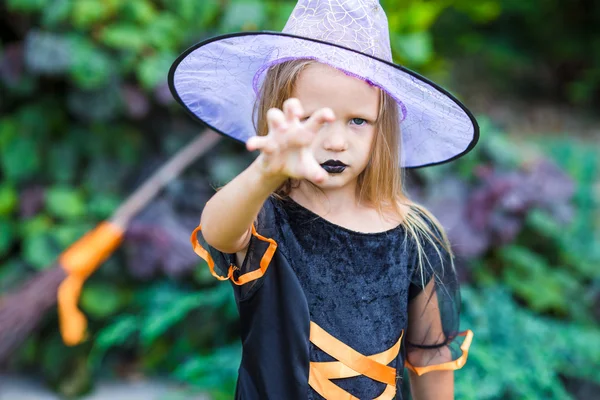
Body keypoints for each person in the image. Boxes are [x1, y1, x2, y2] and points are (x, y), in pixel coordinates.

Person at [169, 1, 477, 399]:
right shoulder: (265, 218)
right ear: (279, 118)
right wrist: (264, 173)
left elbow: (430, 359)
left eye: (357, 121)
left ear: (382, 127)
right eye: (316, 119)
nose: (335, 141)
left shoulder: (414, 236)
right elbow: (218, 232)